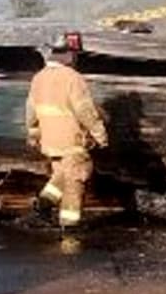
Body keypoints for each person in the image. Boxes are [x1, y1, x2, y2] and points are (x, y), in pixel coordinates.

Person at [25, 38, 109, 229]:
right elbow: (84, 110)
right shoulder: (72, 78)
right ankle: (69, 230)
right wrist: (100, 134)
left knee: (62, 174)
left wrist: (33, 134)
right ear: (68, 55)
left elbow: (31, 110)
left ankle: (44, 204)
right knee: (76, 179)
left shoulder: (39, 77)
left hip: (50, 140)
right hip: (72, 140)